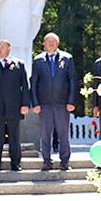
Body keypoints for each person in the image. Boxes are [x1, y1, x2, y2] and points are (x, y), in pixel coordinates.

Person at [30, 33, 78, 171]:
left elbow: (72, 81)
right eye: (48, 41)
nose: (50, 43)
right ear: (44, 44)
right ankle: (46, 161)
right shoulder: (38, 60)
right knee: (45, 135)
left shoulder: (67, 58)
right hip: (44, 104)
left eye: (53, 41)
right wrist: (35, 103)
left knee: (63, 134)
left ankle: (64, 162)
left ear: (58, 43)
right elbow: (33, 83)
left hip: (62, 103)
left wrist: (71, 101)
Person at [0, 39, 30, 172]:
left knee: (14, 137)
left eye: (1, 47)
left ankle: (16, 163)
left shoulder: (19, 65)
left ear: (9, 48)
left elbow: (25, 86)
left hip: (14, 107)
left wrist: (25, 104)